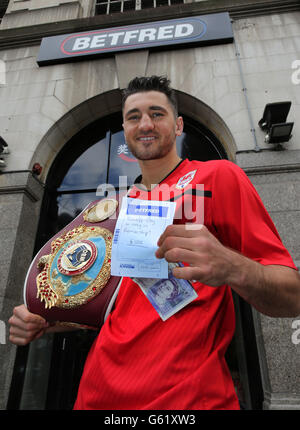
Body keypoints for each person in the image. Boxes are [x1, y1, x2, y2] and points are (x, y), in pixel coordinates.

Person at [9, 76, 300, 410]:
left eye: (156, 113)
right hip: (95, 396)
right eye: (134, 116)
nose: (145, 124)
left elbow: (292, 296)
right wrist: (46, 319)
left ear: (177, 125)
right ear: (124, 128)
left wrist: (235, 267)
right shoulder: (117, 207)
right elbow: (114, 307)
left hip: (187, 400)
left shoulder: (218, 177)